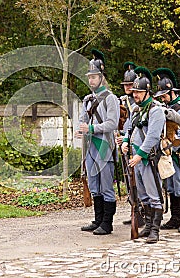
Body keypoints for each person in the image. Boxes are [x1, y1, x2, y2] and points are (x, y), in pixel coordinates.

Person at [77, 49, 120, 235]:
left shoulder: (111, 98)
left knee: (106, 186)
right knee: (94, 186)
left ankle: (107, 223)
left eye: (94, 76)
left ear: (102, 77)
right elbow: (82, 120)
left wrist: (92, 129)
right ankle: (98, 220)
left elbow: (112, 123)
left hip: (104, 146)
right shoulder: (87, 99)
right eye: (90, 77)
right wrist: (81, 130)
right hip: (90, 147)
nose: (91, 80)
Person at [121, 66, 165, 244]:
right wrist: (125, 142)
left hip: (148, 159)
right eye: (134, 93)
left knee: (154, 194)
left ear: (147, 92)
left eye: (138, 92)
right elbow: (129, 129)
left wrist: (139, 154)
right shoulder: (136, 110)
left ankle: (155, 230)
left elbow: (153, 136)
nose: (135, 95)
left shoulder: (156, 110)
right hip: (136, 159)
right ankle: (147, 225)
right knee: (142, 194)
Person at [152, 68, 180, 233]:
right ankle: (176, 218)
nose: (162, 98)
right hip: (167, 154)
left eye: (164, 95)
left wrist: (168, 148)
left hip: (177, 154)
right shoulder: (165, 109)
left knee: (179, 185)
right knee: (170, 186)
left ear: (171, 92)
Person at [117, 62, 145, 227]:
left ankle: (144, 213)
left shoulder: (138, 103)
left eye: (130, 84)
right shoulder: (122, 102)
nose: (127, 87)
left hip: (138, 145)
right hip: (126, 144)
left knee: (140, 182)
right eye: (125, 84)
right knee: (129, 182)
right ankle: (134, 211)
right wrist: (121, 137)